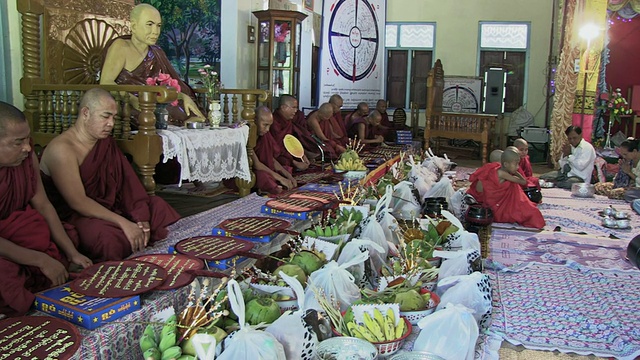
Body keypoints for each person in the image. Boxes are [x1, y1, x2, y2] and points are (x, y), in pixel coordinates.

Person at [39, 89, 180, 263]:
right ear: (85, 113)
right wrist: (124, 223)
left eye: (113, 117)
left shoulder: (105, 143)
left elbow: (127, 186)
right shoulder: (62, 149)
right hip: (77, 215)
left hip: (110, 206)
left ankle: (171, 257)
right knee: (107, 238)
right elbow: (78, 202)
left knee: (158, 207)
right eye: (105, 116)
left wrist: (140, 216)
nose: (111, 123)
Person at [0, 102, 93, 317]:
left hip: (21, 237)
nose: (27, 147)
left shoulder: (26, 158)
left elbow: (42, 204)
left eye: (27, 139)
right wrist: (41, 260)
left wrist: (72, 252)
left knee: (66, 240)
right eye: (18, 142)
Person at [100, 3, 204, 125]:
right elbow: (106, 82)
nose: (155, 31)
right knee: (153, 116)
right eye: (149, 25)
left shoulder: (156, 51)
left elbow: (160, 87)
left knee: (186, 113)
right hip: (129, 104)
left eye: (158, 26)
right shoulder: (121, 46)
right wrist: (133, 100)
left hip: (153, 102)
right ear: (133, 26)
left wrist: (183, 97)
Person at [466, 147, 545, 229]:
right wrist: (516, 173)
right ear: (506, 164)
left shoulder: (497, 169)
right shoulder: (502, 173)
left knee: (528, 207)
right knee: (532, 213)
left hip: (493, 202)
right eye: (516, 164)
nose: (518, 167)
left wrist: (513, 171)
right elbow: (523, 182)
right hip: (496, 206)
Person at [253, 106, 297, 194]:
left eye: (269, 125)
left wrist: (288, 176)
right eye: (265, 125)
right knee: (263, 177)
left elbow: (271, 159)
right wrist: (281, 178)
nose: (268, 129)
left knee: (284, 171)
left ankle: (268, 185)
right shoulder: (245, 136)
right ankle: (270, 186)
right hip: (249, 172)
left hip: (264, 169)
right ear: (255, 121)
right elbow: (256, 164)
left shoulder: (264, 136)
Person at [270, 95, 313, 167]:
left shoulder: (288, 121)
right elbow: (276, 147)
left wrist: (302, 155)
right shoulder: (273, 122)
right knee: (284, 161)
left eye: (296, 108)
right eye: (293, 107)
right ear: (283, 107)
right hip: (278, 154)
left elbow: (292, 141)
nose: (296, 111)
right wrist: (294, 162)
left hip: (288, 152)